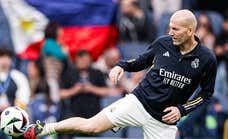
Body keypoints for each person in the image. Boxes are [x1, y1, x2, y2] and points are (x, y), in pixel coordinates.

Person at [20, 9, 217, 139]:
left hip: (163, 122)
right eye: (170, 27)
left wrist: (182, 110)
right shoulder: (163, 43)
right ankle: (44, 129)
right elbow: (140, 61)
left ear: (190, 30)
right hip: (138, 102)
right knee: (91, 126)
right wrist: (120, 66)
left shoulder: (207, 59)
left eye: (176, 29)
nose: (170, 32)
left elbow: (206, 94)